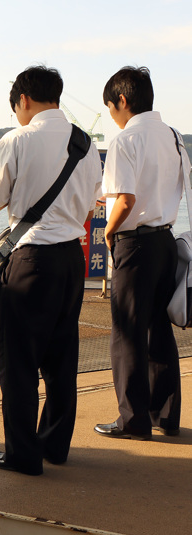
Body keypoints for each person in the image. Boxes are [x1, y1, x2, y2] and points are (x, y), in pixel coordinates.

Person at [0, 65, 102, 475]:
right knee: (61, 359)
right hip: (72, 260)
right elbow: (89, 207)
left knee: (19, 363)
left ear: (24, 100)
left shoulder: (17, 139)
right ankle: (54, 446)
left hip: (31, 261)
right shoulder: (85, 144)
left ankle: (23, 455)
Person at [95, 66, 188, 439]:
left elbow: (126, 198)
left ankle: (131, 420)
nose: (112, 118)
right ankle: (164, 416)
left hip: (136, 243)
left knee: (128, 333)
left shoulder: (125, 140)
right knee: (158, 328)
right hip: (166, 239)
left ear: (122, 100)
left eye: (110, 108)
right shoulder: (173, 136)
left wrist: (109, 231)